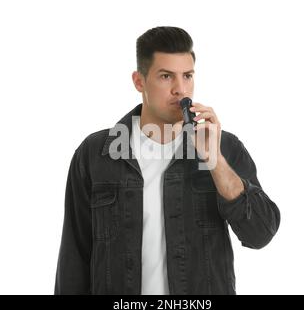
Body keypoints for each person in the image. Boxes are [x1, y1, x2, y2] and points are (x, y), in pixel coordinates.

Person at [54, 26, 280, 295]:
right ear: (139, 82)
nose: (180, 90)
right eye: (166, 76)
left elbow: (260, 234)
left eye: (187, 76)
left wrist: (215, 161)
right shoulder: (95, 153)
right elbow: (75, 258)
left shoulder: (224, 146)